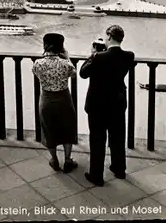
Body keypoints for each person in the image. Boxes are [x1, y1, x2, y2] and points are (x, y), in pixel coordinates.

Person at [79, 25, 135, 186]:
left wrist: (93, 54)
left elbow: (83, 73)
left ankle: (96, 175)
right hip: (117, 101)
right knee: (117, 137)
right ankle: (119, 169)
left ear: (109, 37)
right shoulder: (129, 56)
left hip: (98, 103)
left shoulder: (98, 57)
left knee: (97, 139)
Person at [32, 33, 78, 173]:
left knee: (48, 129)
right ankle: (68, 159)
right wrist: (67, 57)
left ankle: (54, 159)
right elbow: (74, 74)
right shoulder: (65, 64)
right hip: (64, 98)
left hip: (46, 99)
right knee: (67, 129)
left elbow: (36, 73)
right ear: (61, 46)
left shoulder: (38, 64)